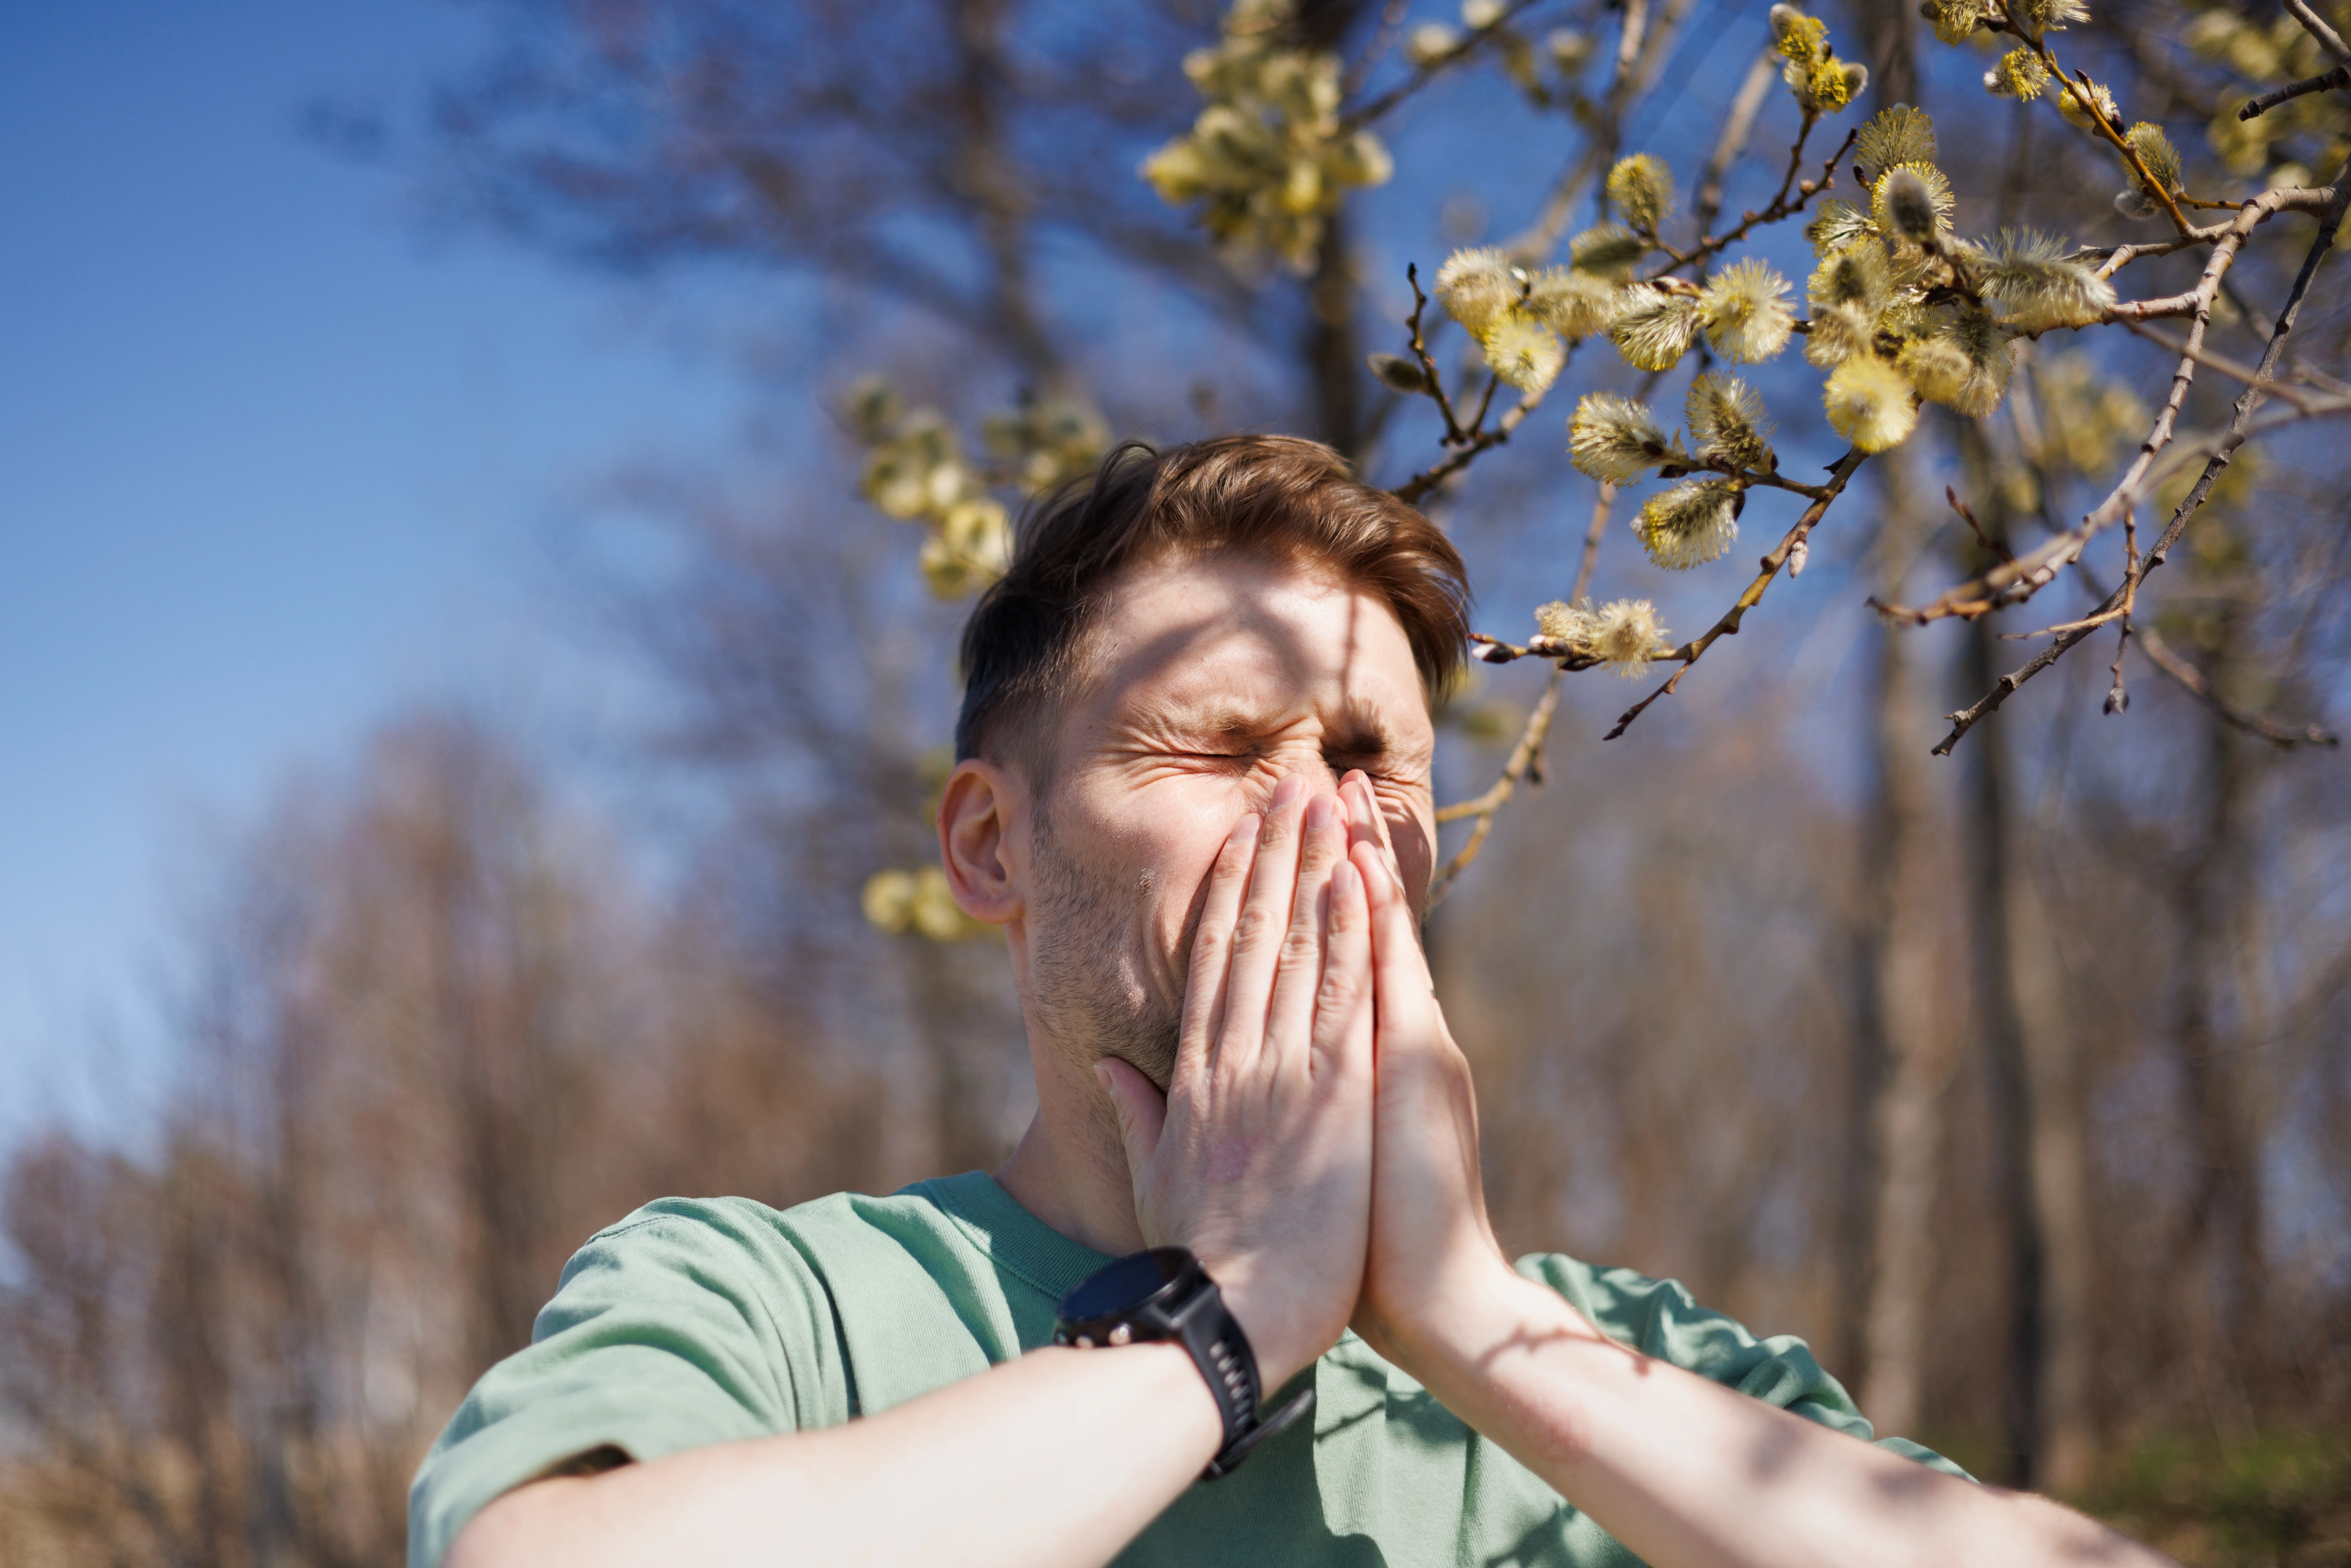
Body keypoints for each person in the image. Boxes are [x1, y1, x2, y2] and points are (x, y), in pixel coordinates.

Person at [411, 435, 2171, 1568]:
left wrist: (1470, 1320)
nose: (1322, 821)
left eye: (1368, 762)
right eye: (1222, 745)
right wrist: (1221, 1319)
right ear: (992, 845)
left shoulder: (1621, 1365)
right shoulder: (780, 1309)